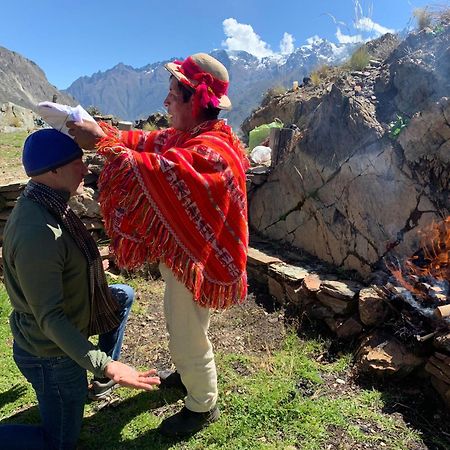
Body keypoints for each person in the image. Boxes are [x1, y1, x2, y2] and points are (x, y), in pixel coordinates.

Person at [67, 52, 249, 437]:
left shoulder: (212, 152)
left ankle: (203, 404)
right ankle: (187, 378)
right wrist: (101, 132)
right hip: (191, 257)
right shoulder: (189, 137)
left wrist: (102, 145)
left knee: (185, 332)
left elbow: (162, 170)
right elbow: (145, 141)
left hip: (199, 261)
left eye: (172, 94)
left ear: (195, 99)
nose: (165, 102)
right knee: (189, 324)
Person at [0, 129, 160, 450]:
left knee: (122, 297)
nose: (86, 170)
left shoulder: (48, 202)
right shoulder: (38, 233)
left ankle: (98, 382)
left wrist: (83, 271)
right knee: (59, 443)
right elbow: (50, 319)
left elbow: (59, 265)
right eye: (78, 163)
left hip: (60, 333)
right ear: (54, 171)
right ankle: (99, 375)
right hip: (51, 356)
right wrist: (108, 365)